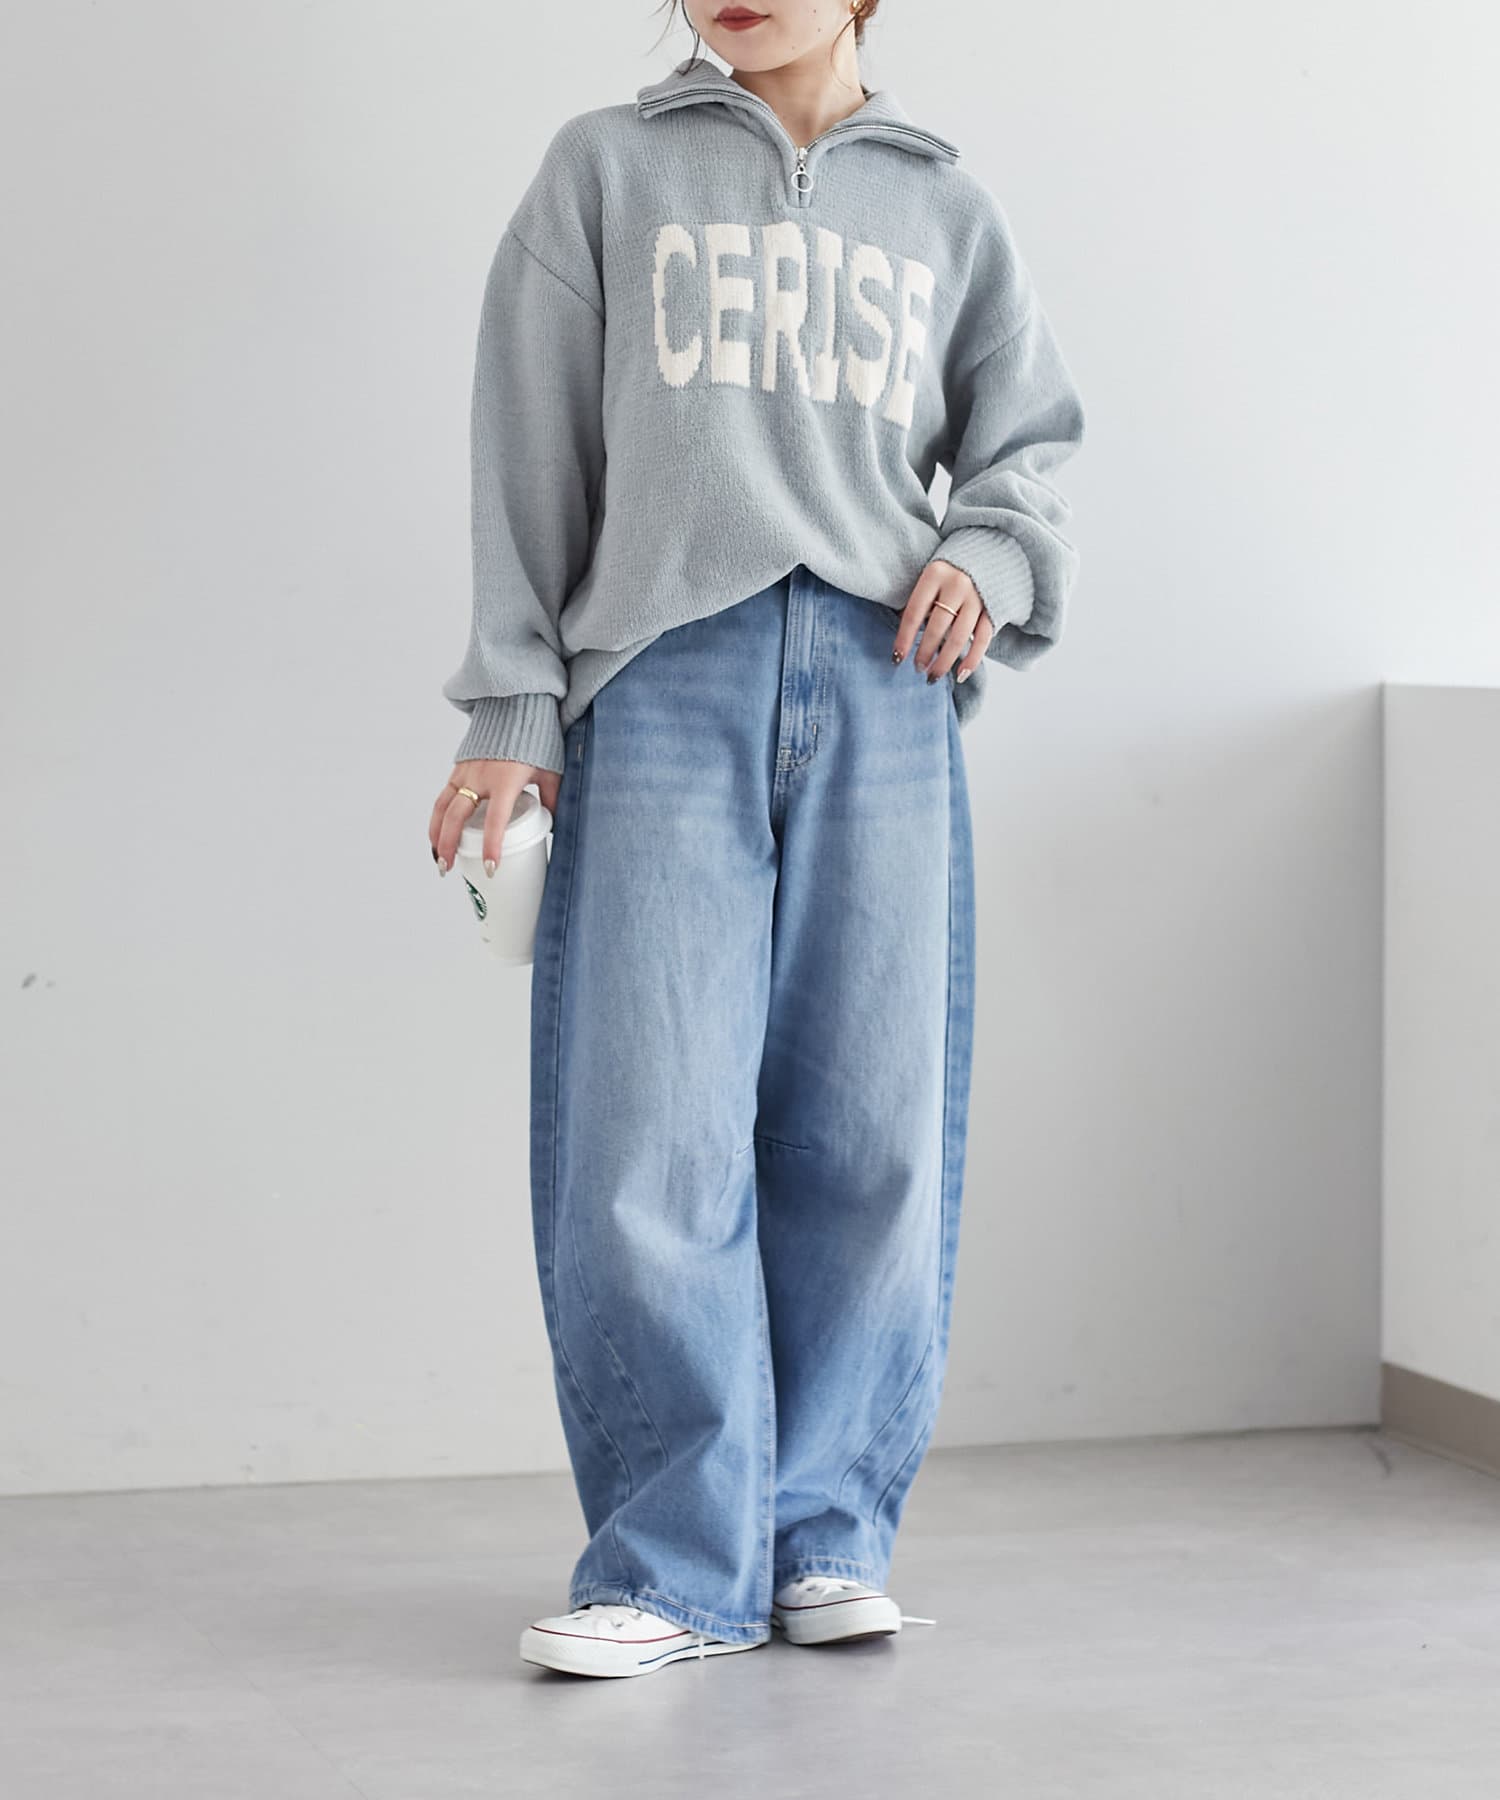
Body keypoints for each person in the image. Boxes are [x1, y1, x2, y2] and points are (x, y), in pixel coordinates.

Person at [428, 0, 1085, 1679]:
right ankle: (670, 1566)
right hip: (659, 680)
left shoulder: (945, 206)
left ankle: (824, 1539)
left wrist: (990, 558)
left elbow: (1025, 446)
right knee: (646, 1133)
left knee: (869, 1130)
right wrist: (512, 710)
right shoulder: (604, 173)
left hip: (884, 685)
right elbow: (527, 450)